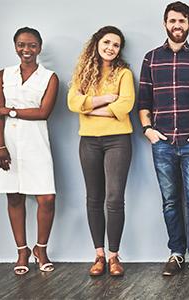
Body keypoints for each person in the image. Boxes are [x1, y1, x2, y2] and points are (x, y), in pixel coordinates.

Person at [138, 1, 189, 280]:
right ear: (165, 23)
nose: (177, 25)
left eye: (182, 21)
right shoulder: (151, 59)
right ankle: (176, 253)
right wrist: (148, 129)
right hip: (161, 141)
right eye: (172, 21)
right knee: (170, 201)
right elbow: (143, 101)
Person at [0, 27, 59, 275]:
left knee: (46, 198)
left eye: (31, 45)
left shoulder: (49, 77)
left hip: (36, 141)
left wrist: (9, 111)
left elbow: (43, 113)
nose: (26, 50)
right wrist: (0, 145)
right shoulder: (3, 75)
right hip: (8, 142)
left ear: (39, 48)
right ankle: (22, 251)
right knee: (14, 197)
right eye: (21, 45)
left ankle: (41, 248)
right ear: (15, 46)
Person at [67, 26, 135, 277]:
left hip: (118, 140)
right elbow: (72, 103)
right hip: (89, 141)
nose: (111, 48)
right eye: (107, 42)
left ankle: (114, 256)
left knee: (114, 198)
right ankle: (98, 255)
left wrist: (89, 107)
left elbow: (126, 104)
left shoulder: (124, 73)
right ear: (97, 43)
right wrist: (107, 98)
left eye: (116, 45)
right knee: (93, 198)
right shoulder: (83, 74)